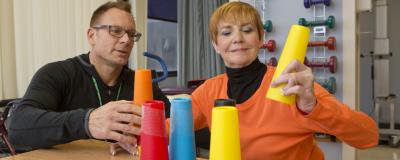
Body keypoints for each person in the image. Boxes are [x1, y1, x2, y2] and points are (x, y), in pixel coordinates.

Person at [186, 2, 377, 160]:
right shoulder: (209, 90)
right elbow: (171, 128)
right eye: (226, 33)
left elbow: (368, 137)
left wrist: (312, 107)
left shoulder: (291, 86)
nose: (237, 38)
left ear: (261, 38)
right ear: (215, 45)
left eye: (247, 30)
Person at [5, 1, 170, 154]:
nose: (126, 40)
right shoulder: (57, 73)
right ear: (92, 36)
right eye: (116, 31)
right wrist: (87, 121)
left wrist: (140, 138)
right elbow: (19, 127)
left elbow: (177, 126)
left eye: (131, 34)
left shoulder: (143, 84)